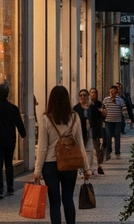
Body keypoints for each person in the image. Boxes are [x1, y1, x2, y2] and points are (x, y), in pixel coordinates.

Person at [34, 86, 91, 224]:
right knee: (68, 199)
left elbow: (42, 147)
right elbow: (80, 144)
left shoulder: (45, 118)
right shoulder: (74, 117)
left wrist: (37, 171)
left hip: (50, 165)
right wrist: (86, 168)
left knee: (54, 203)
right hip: (70, 163)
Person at [73, 89, 103, 176]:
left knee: (89, 151)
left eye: (85, 95)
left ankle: (89, 168)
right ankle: (81, 168)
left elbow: (97, 119)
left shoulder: (92, 107)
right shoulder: (76, 108)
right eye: (81, 95)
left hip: (90, 132)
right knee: (80, 151)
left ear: (87, 96)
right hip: (79, 132)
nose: (83, 97)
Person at [102, 85, 128, 158]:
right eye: (111, 92)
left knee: (117, 136)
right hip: (108, 121)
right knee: (108, 136)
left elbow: (124, 110)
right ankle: (108, 151)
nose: (112, 93)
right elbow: (103, 109)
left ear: (116, 93)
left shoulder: (120, 100)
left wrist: (127, 118)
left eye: (114, 92)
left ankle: (117, 152)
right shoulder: (106, 100)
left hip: (117, 121)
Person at [88, 88, 106, 174]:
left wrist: (102, 112)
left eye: (94, 93)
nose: (93, 94)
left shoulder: (99, 104)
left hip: (97, 128)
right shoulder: (87, 104)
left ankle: (99, 165)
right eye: (91, 93)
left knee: (97, 148)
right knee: (89, 149)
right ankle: (89, 167)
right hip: (88, 129)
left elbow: (104, 114)